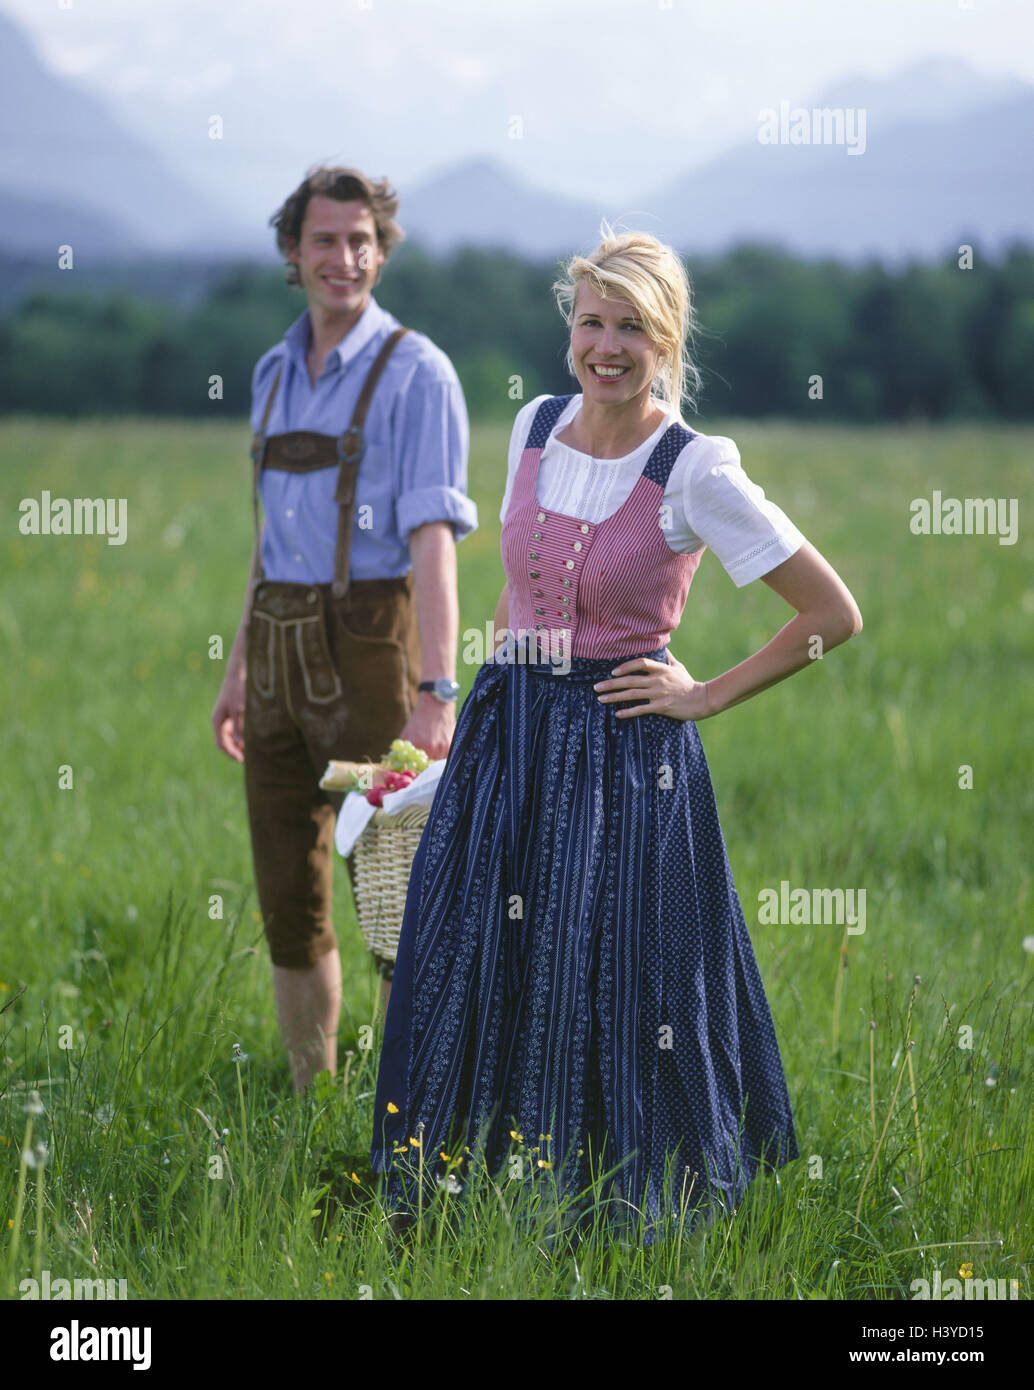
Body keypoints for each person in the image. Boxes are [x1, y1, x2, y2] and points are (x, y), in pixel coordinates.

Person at [370, 224, 863, 1241]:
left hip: (621, 748)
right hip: (507, 728)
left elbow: (830, 614)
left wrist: (705, 695)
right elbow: (512, 595)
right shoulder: (534, 426)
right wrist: (468, 723)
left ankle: (624, 1206)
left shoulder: (694, 469)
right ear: (569, 330)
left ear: (664, 339)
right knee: (475, 952)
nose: (605, 344)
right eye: (590, 322)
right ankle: (462, 1186)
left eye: (630, 326)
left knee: (619, 971)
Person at [211, 166, 475, 1093]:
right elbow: (268, 540)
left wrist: (436, 692)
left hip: (372, 652)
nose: (345, 258)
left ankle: (413, 1115)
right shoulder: (274, 370)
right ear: (294, 250)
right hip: (277, 648)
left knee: (395, 906)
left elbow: (434, 541)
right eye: (325, 240)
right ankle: (309, 1098)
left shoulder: (419, 371)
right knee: (290, 899)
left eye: (362, 240)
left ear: (381, 249)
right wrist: (239, 665)